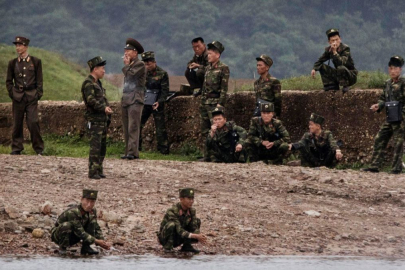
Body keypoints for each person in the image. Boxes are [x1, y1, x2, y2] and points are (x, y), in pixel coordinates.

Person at [362, 56, 405, 174]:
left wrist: (402, 115)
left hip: (400, 119)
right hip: (390, 117)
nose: (392, 71)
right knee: (379, 138)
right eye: (390, 68)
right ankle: (374, 165)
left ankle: (396, 168)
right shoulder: (387, 84)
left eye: (395, 68)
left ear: (400, 69)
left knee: (398, 143)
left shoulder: (403, 83)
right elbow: (383, 99)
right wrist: (379, 105)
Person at [6, 36, 44, 155]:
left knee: (33, 122)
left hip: (31, 95)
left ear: (26, 46)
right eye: (16, 45)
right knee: (17, 123)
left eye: (20, 45)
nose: (18, 47)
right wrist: (12, 93)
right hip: (18, 96)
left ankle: (38, 148)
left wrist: (38, 94)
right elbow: (8, 81)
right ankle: (16, 148)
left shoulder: (35, 61)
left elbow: (39, 80)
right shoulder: (12, 63)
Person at [51, 189, 111, 255]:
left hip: (75, 236)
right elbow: (79, 232)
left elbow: (96, 228)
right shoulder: (73, 212)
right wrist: (97, 241)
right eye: (87, 201)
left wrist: (103, 242)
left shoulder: (92, 211)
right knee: (67, 225)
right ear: (82, 199)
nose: (89, 205)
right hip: (58, 236)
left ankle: (86, 247)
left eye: (92, 202)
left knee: (92, 222)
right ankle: (63, 248)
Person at [81, 56, 113, 179]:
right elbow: (91, 101)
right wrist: (103, 108)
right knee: (95, 146)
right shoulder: (88, 83)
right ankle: (93, 171)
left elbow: (102, 98)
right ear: (95, 69)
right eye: (102, 68)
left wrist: (107, 107)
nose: (104, 71)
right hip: (94, 119)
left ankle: (99, 169)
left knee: (102, 146)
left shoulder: (97, 83)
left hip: (102, 119)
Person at [200, 41, 230, 161]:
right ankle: (206, 155)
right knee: (205, 130)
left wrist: (220, 104)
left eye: (211, 53)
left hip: (215, 102)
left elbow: (224, 88)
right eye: (208, 53)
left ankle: (216, 155)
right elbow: (204, 87)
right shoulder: (208, 68)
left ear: (217, 55)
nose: (208, 56)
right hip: (205, 102)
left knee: (216, 129)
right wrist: (202, 101)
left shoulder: (223, 68)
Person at [158, 188, 207, 253]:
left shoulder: (192, 211)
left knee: (197, 221)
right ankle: (168, 247)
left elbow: (194, 226)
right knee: (172, 224)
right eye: (189, 199)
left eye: (192, 199)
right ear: (181, 199)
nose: (191, 201)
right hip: (165, 238)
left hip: (180, 237)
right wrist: (195, 236)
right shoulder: (172, 211)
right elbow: (179, 229)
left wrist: (200, 236)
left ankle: (187, 246)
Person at [139, 51, 169, 154]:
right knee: (138, 124)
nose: (147, 66)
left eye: (149, 63)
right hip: (145, 102)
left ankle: (163, 150)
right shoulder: (142, 73)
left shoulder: (162, 74)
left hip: (157, 103)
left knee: (160, 127)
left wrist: (159, 102)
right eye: (145, 63)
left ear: (154, 62)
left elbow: (165, 91)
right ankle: (137, 147)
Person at [121, 38, 146, 160]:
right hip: (126, 98)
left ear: (135, 53)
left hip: (135, 99)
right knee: (126, 127)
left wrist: (126, 66)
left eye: (128, 51)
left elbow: (131, 76)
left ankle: (133, 152)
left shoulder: (139, 64)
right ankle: (128, 151)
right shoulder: (130, 65)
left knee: (133, 126)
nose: (126, 53)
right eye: (125, 50)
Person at [311, 28, 357, 93]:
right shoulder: (329, 50)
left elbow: (342, 62)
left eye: (337, 40)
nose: (335, 42)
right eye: (332, 40)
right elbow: (320, 60)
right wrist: (314, 69)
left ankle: (345, 85)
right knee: (321, 66)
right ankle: (330, 85)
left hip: (350, 75)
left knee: (340, 67)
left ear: (340, 39)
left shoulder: (345, 48)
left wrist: (335, 52)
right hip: (339, 73)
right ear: (329, 42)